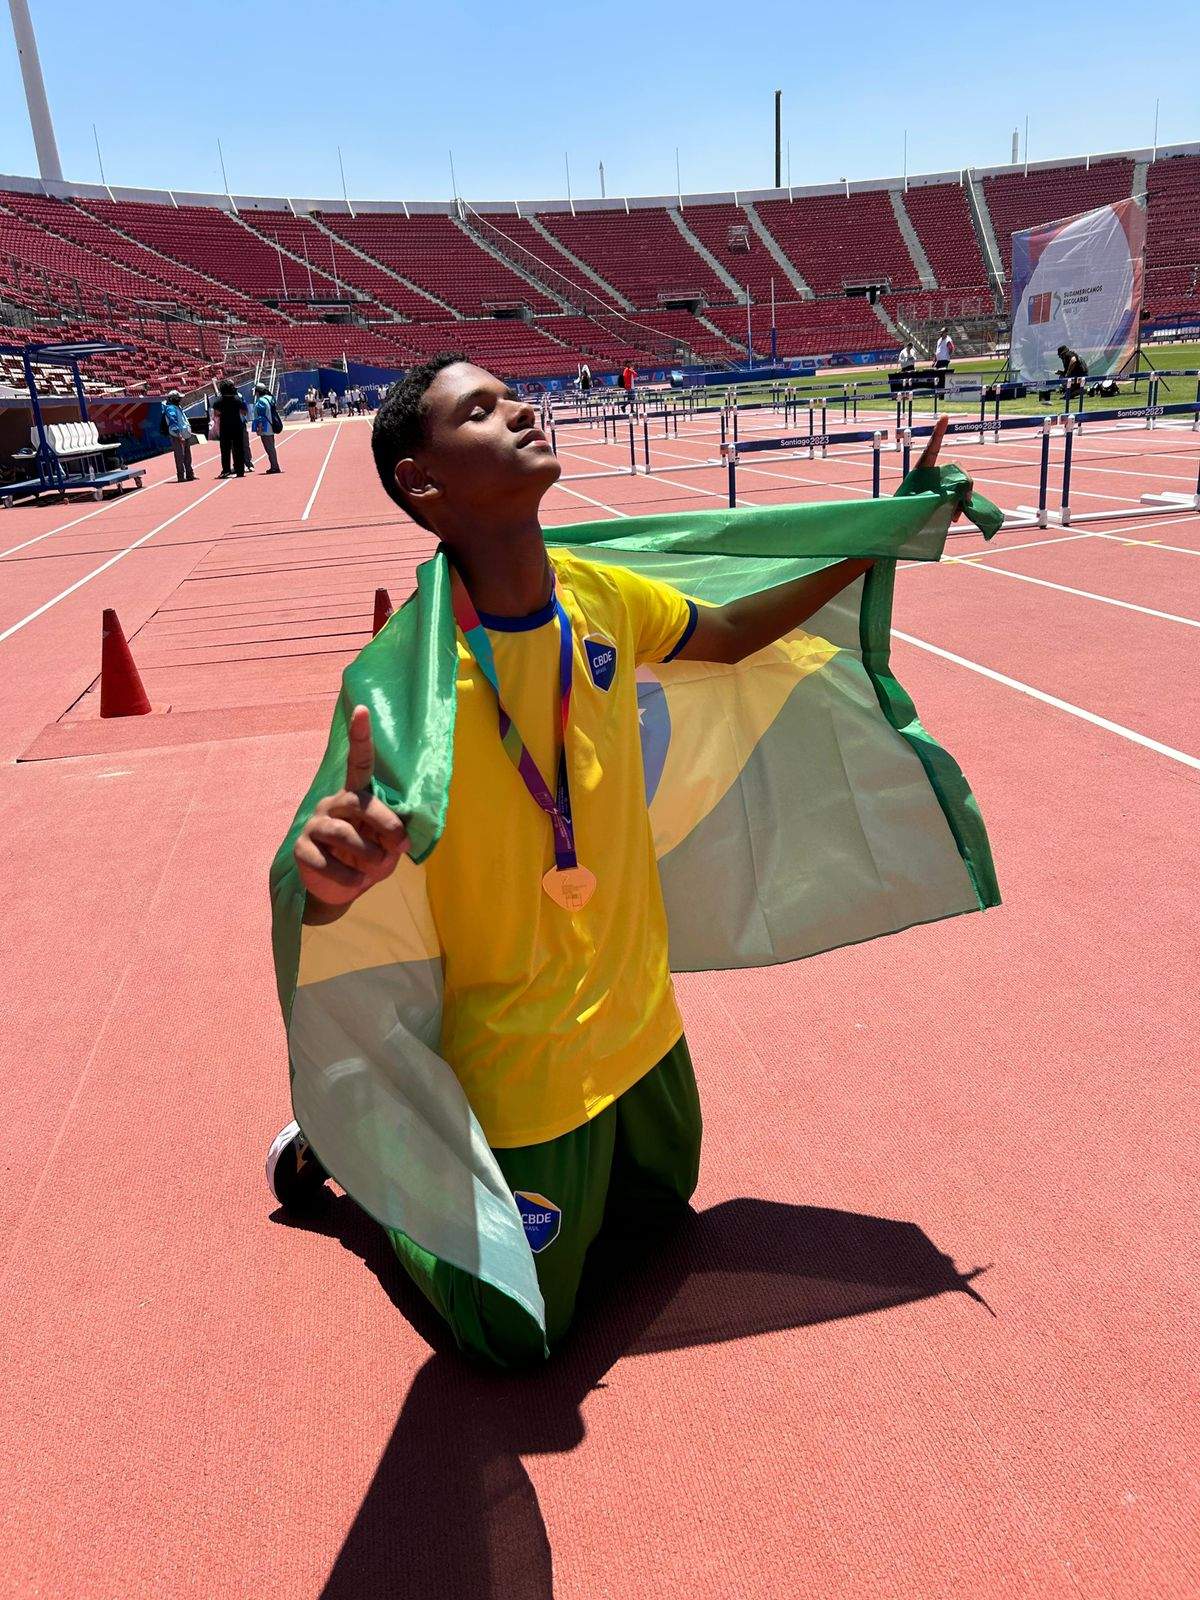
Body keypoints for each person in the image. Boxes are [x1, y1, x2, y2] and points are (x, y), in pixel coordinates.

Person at [268, 355, 975, 1368]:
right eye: (480, 409)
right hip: (526, 1056)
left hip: (637, 1017)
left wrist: (875, 538)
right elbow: (322, 875)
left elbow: (726, 632)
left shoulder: (596, 594)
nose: (519, 407)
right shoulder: (404, 683)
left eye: (512, 394)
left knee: (665, 1215)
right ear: (424, 483)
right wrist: (332, 884)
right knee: (516, 1337)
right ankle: (351, 1157)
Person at [213, 378, 247, 478]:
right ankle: (240, 470)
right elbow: (244, 412)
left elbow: (216, 414)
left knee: (225, 450)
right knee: (239, 449)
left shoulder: (219, 401)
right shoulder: (237, 399)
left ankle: (226, 470)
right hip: (237, 427)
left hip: (225, 428)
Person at [163, 389, 195, 483]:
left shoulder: (178, 407)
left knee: (187, 455)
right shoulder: (170, 408)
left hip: (185, 434)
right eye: (178, 398)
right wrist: (179, 435)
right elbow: (173, 422)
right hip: (177, 435)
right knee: (180, 456)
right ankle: (181, 476)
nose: (180, 399)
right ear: (174, 398)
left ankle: (190, 474)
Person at [251, 380, 282, 473]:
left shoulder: (261, 401)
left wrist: (259, 429)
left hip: (266, 427)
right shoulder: (270, 398)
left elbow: (261, 417)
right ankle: (274, 465)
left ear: (257, 391)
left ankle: (275, 467)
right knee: (271, 447)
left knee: (269, 448)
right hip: (271, 425)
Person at [933, 327, 954, 393]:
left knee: (942, 375)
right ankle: (938, 389)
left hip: (944, 360)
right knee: (937, 375)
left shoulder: (948, 340)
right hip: (939, 360)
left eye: (943, 332)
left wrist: (948, 355)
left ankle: (942, 390)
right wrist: (934, 360)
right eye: (941, 332)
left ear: (946, 332)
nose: (941, 333)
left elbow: (951, 348)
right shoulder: (939, 340)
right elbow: (937, 350)